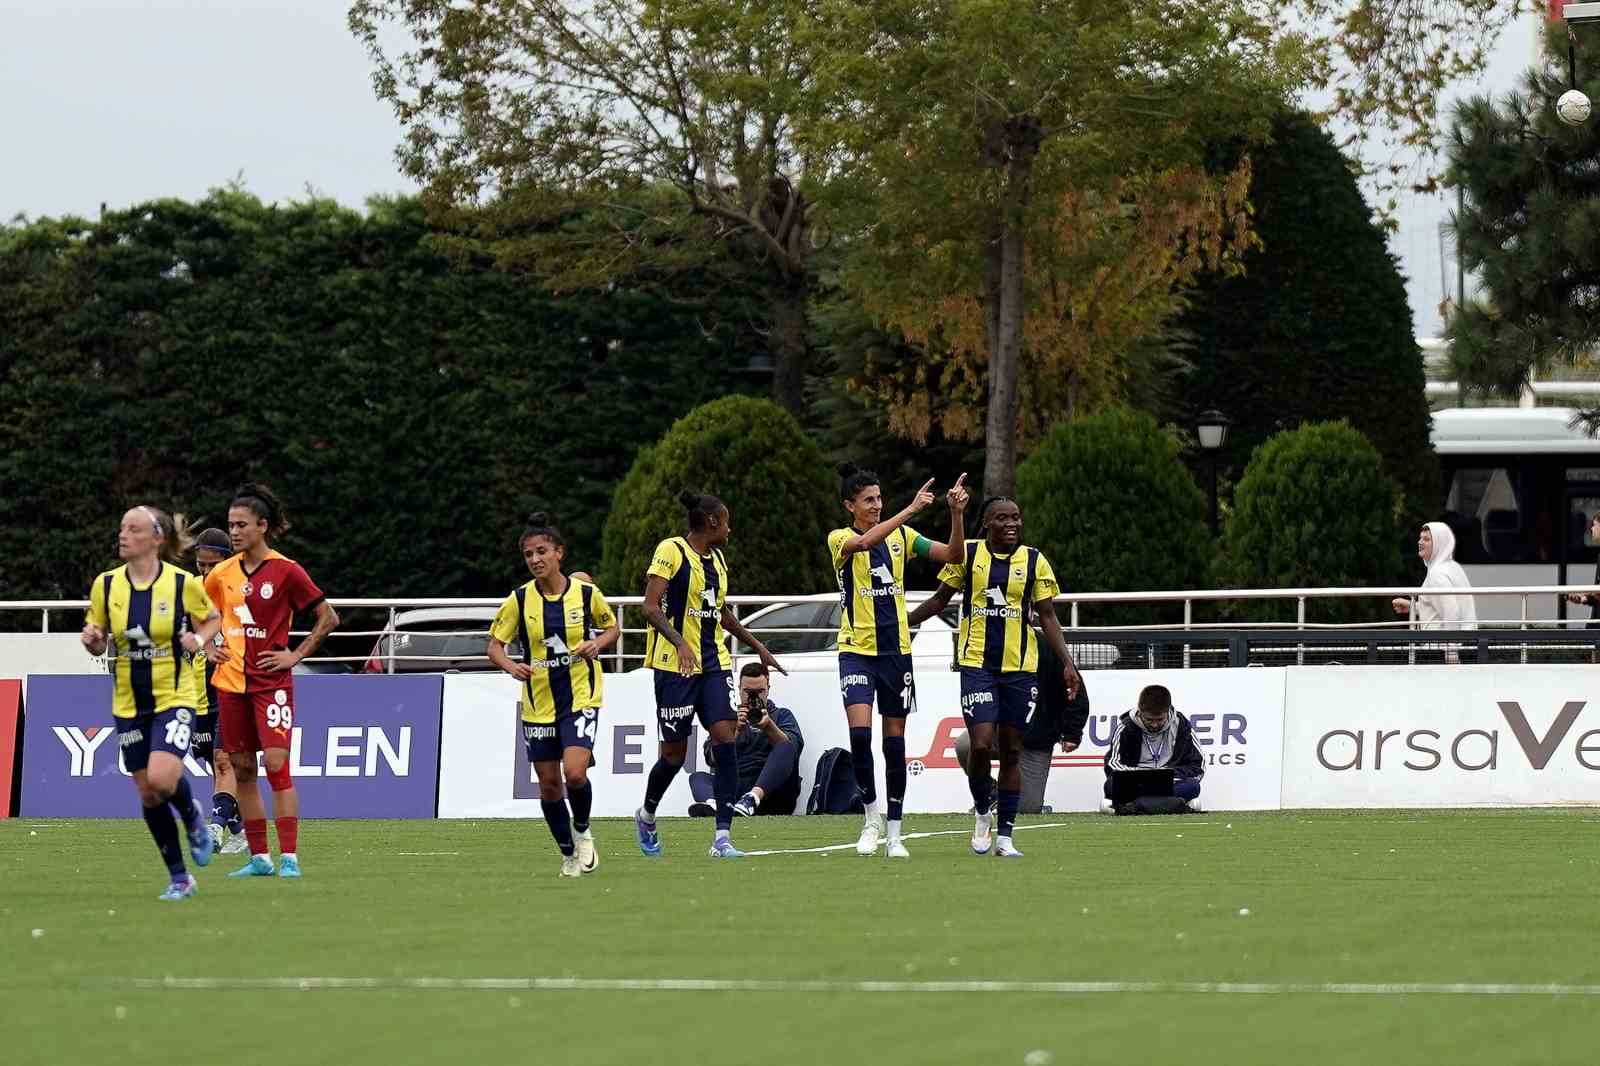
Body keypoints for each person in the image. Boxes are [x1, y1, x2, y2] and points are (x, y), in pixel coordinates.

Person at [907, 496, 1080, 857]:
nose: (1011, 524)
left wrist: (1068, 662)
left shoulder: (1034, 560)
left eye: (1016, 517)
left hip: (1020, 668)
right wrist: (902, 624)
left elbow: (1048, 616)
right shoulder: (967, 555)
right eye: (1002, 518)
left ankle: (1005, 837)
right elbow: (939, 600)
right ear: (987, 523)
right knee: (982, 744)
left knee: (1013, 750)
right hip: (977, 665)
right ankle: (983, 811)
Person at [80, 506, 222, 900]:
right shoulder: (106, 585)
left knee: (161, 778)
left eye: (134, 529)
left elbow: (212, 619)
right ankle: (180, 878)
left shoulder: (181, 583)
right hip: (129, 703)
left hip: (175, 696)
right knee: (148, 793)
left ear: (157, 538)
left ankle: (192, 816)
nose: (123, 535)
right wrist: (93, 641)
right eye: (122, 528)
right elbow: (98, 640)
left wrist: (199, 639)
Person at [634, 491, 786, 859]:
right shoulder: (671, 550)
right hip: (674, 668)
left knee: (725, 738)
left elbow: (720, 614)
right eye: (727, 521)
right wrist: (680, 643)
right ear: (713, 522)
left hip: (713, 665)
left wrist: (758, 646)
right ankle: (647, 814)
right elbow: (650, 607)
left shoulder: (717, 561)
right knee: (674, 755)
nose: (730, 529)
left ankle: (722, 838)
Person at [830, 463, 968, 858]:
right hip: (856, 651)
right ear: (849, 506)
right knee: (860, 736)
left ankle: (894, 832)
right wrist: (910, 509)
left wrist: (955, 514)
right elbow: (864, 543)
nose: (876, 505)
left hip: (896, 654)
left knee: (894, 744)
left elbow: (953, 554)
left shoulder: (903, 537)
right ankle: (870, 819)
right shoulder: (839, 538)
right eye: (868, 500)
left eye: (879, 498)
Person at [204, 483, 340, 879]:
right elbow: (200, 613)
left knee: (277, 765)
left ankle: (290, 858)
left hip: (271, 684)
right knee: (243, 768)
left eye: (241, 525)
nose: (234, 532)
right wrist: (208, 645)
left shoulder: (287, 570)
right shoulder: (221, 574)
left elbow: (328, 617)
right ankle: (260, 858)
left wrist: (295, 655)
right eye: (230, 525)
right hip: (231, 684)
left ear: (262, 526)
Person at [487, 513, 620, 878]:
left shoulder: (586, 594)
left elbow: (612, 628)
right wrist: (511, 666)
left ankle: (583, 831)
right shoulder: (518, 600)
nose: (535, 559)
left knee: (574, 773)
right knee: (548, 786)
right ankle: (568, 853)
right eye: (529, 554)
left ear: (559, 553)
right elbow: (494, 646)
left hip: (581, 696)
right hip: (538, 704)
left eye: (542, 551)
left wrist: (597, 644)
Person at [954, 637, 1089, 816]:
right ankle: (990, 792)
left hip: (1036, 743)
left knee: (1027, 809)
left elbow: (1077, 694)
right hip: (1002, 733)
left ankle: (1018, 799)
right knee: (965, 744)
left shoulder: (1049, 649)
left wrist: (1072, 733)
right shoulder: (994, 644)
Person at [188, 525, 248, 855]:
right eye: (202, 565)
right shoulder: (192, 590)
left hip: (232, 686)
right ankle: (240, 829)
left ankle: (215, 827)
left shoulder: (242, 588)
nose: (207, 571)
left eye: (213, 565)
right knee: (213, 762)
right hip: (198, 691)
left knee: (225, 759)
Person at [687, 662, 804, 818]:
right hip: (736, 789)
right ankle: (716, 805)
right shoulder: (728, 718)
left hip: (772, 792)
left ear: (768, 689)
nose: (753, 697)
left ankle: (751, 799)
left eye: (760, 691)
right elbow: (712, 759)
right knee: (698, 778)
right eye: (748, 692)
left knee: (785, 745)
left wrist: (769, 726)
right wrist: (734, 732)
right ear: (739, 689)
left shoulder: (781, 715)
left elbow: (792, 750)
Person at [1101, 684, 1204, 812]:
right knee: (1110, 785)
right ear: (1140, 711)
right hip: (1136, 784)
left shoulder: (1181, 725)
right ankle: (1173, 804)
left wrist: (1167, 775)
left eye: (1160, 719)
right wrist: (1140, 776)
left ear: (1168, 711)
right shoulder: (1126, 727)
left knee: (1192, 786)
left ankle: (1135, 805)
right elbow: (1113, 764)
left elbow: (1197, 766)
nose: (1155, 725)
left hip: (1170, 784)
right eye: (1149, 720)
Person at [1392, 521, 1478, 663]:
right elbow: (1442, 608)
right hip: (1459, 646)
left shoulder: (1437, 574)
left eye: (1426, 539)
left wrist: (1451, 653)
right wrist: (1412, 607)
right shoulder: (1452, 567)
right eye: (1420, 538)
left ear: (1439, 544)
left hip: (1441, 651)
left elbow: (1451, 612)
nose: (1420, 542)